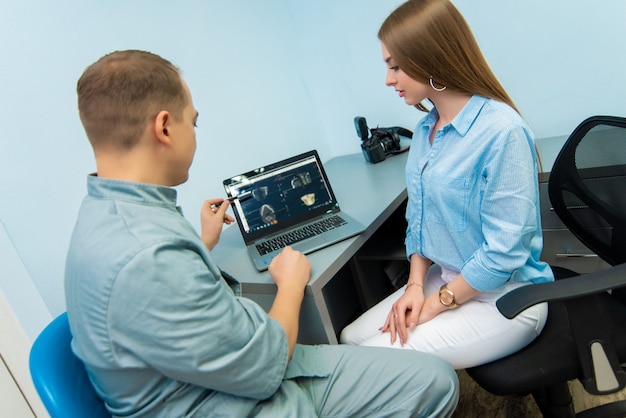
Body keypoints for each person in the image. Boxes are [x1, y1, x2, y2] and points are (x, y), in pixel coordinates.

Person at [64, 49, 459, 418]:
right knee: (437, 382)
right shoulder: (149, 254)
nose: (195, 133)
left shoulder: (107, 217)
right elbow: (265, 366)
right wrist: (290, 284)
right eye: (193, 121)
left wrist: (202, 245)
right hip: (236, 400)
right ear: (165, 127)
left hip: (212, 376)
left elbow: (158, 298)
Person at [340, 0, 555, 370]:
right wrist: (413, 287)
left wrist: (435, 303)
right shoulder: (426, 129)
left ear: (431, 58)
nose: (389, 79)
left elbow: (503, 255)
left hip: (507, 298)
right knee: (349, 339)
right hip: (449, 276)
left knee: (366, 365)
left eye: (395, 66)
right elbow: (421, 221)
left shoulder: (502, 132)